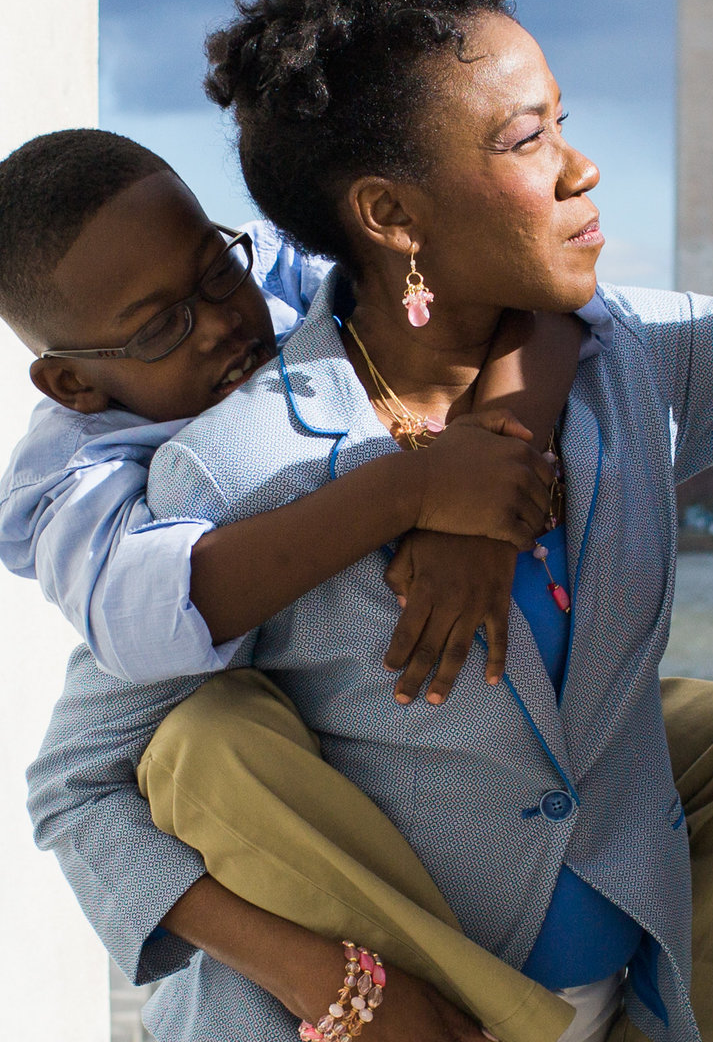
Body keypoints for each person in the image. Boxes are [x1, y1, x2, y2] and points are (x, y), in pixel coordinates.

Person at [27, 0, 713, 1042]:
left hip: (618, 1007)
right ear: (391, 216)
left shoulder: (628, 364)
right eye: (528, 139)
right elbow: (79, 786)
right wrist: (325, 982)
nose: (580, 168)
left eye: (562, 121)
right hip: (355, 1025)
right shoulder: (238, 467)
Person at [0, 129, 583, 697]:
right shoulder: (69, 468)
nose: (219, 324)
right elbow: (143, 621)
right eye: (160, 328)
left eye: (219, 274)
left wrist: (486, 505)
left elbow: (539, 297)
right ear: (71, 382)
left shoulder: (278, 271)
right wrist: (418, 488)